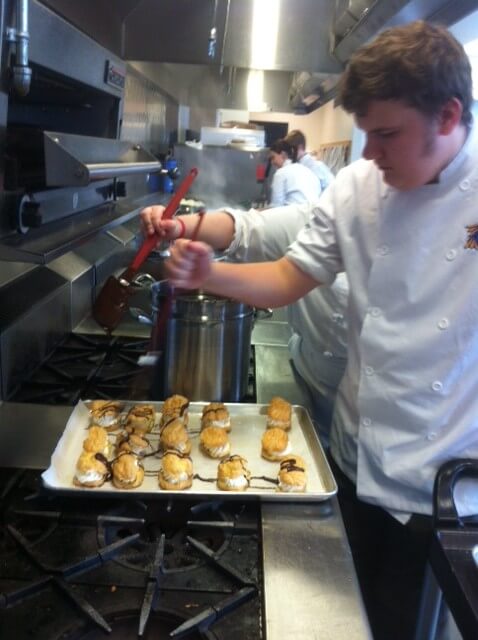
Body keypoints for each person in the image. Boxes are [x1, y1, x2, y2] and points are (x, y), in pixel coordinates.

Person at [164, 21, 478, 640]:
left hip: (443, 485)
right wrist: (210, 273)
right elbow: (288, 277)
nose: (368, 154)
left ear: (448, 117)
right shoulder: (359, 187)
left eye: (386, 135)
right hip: (353, 451)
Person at [140, 202, 349, 444]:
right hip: (309, 386)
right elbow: (245, 229)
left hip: (376, 426)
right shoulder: (334, 209)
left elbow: (286, 281)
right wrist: (176, 226)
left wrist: (208, 275)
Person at [268, 138, 320, 206]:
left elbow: (276, 205)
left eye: (273, 158)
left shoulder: (280, 173)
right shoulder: (307, 170)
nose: (272, 162)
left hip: (293, 214)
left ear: (283, 154)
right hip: (313, 214)